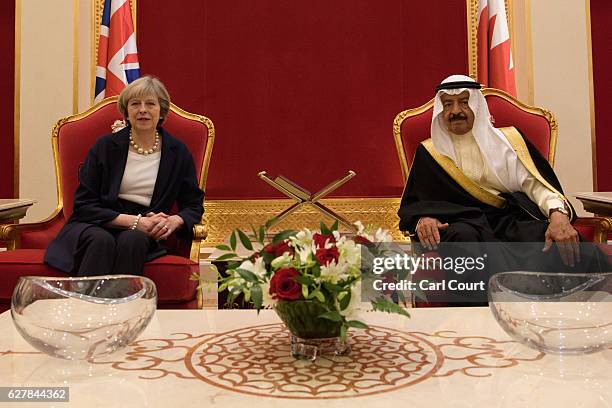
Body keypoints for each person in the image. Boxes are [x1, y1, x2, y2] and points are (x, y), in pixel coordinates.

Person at [398, 75, 608, 301]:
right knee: (463, 240)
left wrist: (557, 214)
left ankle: (554, 314)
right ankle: (472, 319)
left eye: (464, 102)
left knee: (548, 238)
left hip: (505, 220)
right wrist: (424, 218)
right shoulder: (430, 153)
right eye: (448, 104)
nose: (455, 111)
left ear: (477, 106)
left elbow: (536, 185)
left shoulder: (508, 142)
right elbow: (416, 203)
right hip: (461, 225)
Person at [45, 76, 204, 277]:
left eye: (150, 104)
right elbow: (84, 205)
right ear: (126, 112)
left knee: (133, 240)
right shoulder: (104, 147)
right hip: (99, 221)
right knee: (101, 240)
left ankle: (126, 305)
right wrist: (134, 221)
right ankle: (85, 305)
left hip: (145, 229)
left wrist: (175, 221)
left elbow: (193, 205)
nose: (143, 110)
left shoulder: (178, 152)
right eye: (135, 104)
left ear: (161, 111)